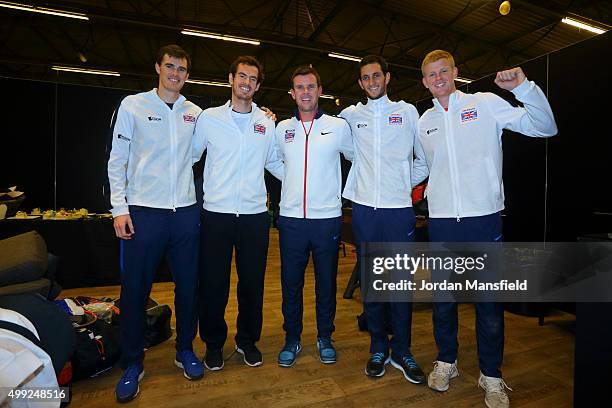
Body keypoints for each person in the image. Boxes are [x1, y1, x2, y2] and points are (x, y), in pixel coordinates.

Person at [417, 49, 557, 408]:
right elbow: (422, 168)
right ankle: (446, 361)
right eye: (431, 74)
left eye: (443, 71)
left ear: (455, 72)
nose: (438, 79)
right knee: (444, 301)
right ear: (424, 82)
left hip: (484, 220)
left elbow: (545, 126)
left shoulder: (485, 103)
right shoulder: (424, 122)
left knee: (489, 304)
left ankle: (491, 375)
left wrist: (524, 88)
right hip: (443, 223)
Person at [107, 44, 204, 403]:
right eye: (170, 66)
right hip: (143, 214)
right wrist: (120, 208)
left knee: (188, 288)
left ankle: (185, 350)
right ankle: (133, 362)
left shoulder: (195, 112)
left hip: (185, 215)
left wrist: (264, 117)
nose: (175, 73)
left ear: (187, 75)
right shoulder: (133, 105)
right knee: (133, 292)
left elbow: (210, 143)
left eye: (182, 69)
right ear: (158, 67)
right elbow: (117, 160)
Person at [339, 55, 428, 384]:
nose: (372, 82)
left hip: (398, 210)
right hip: (364, 210)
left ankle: (402, 349)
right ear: (360, 83)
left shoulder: (407, 112)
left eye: (377, 75)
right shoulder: (350, 115)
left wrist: (402, 185)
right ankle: (378, 346)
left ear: (387, 77)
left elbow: (425, 158)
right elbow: (323, 132)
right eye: (366, 78)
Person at [193, 56, 283, 371]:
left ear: (258, 85)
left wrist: (308, 179)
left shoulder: (267, 122)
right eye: (241, 76)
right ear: (231, 79)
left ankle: (247, 341)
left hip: (255, 216)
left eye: (252, 78)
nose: (246, 82)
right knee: (213, 284)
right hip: (215, 214)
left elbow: (275, 163)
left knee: (252, 284)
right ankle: (214, 344)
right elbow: (189, 156)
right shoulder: (209, 118)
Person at [274, 66, 353, 367]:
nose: (305, 92)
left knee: (326, 284)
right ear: (292, 93)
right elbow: (272, 160)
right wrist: (293, 180)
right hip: (292, 219)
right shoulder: (281, 129)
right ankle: (292, 338)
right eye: (299, 87)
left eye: (311, 86)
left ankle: (325, 337)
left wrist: (340, 192)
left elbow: (356, 158)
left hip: (327, 219)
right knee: (291, 283)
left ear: (320, 90)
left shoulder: (338, 126)